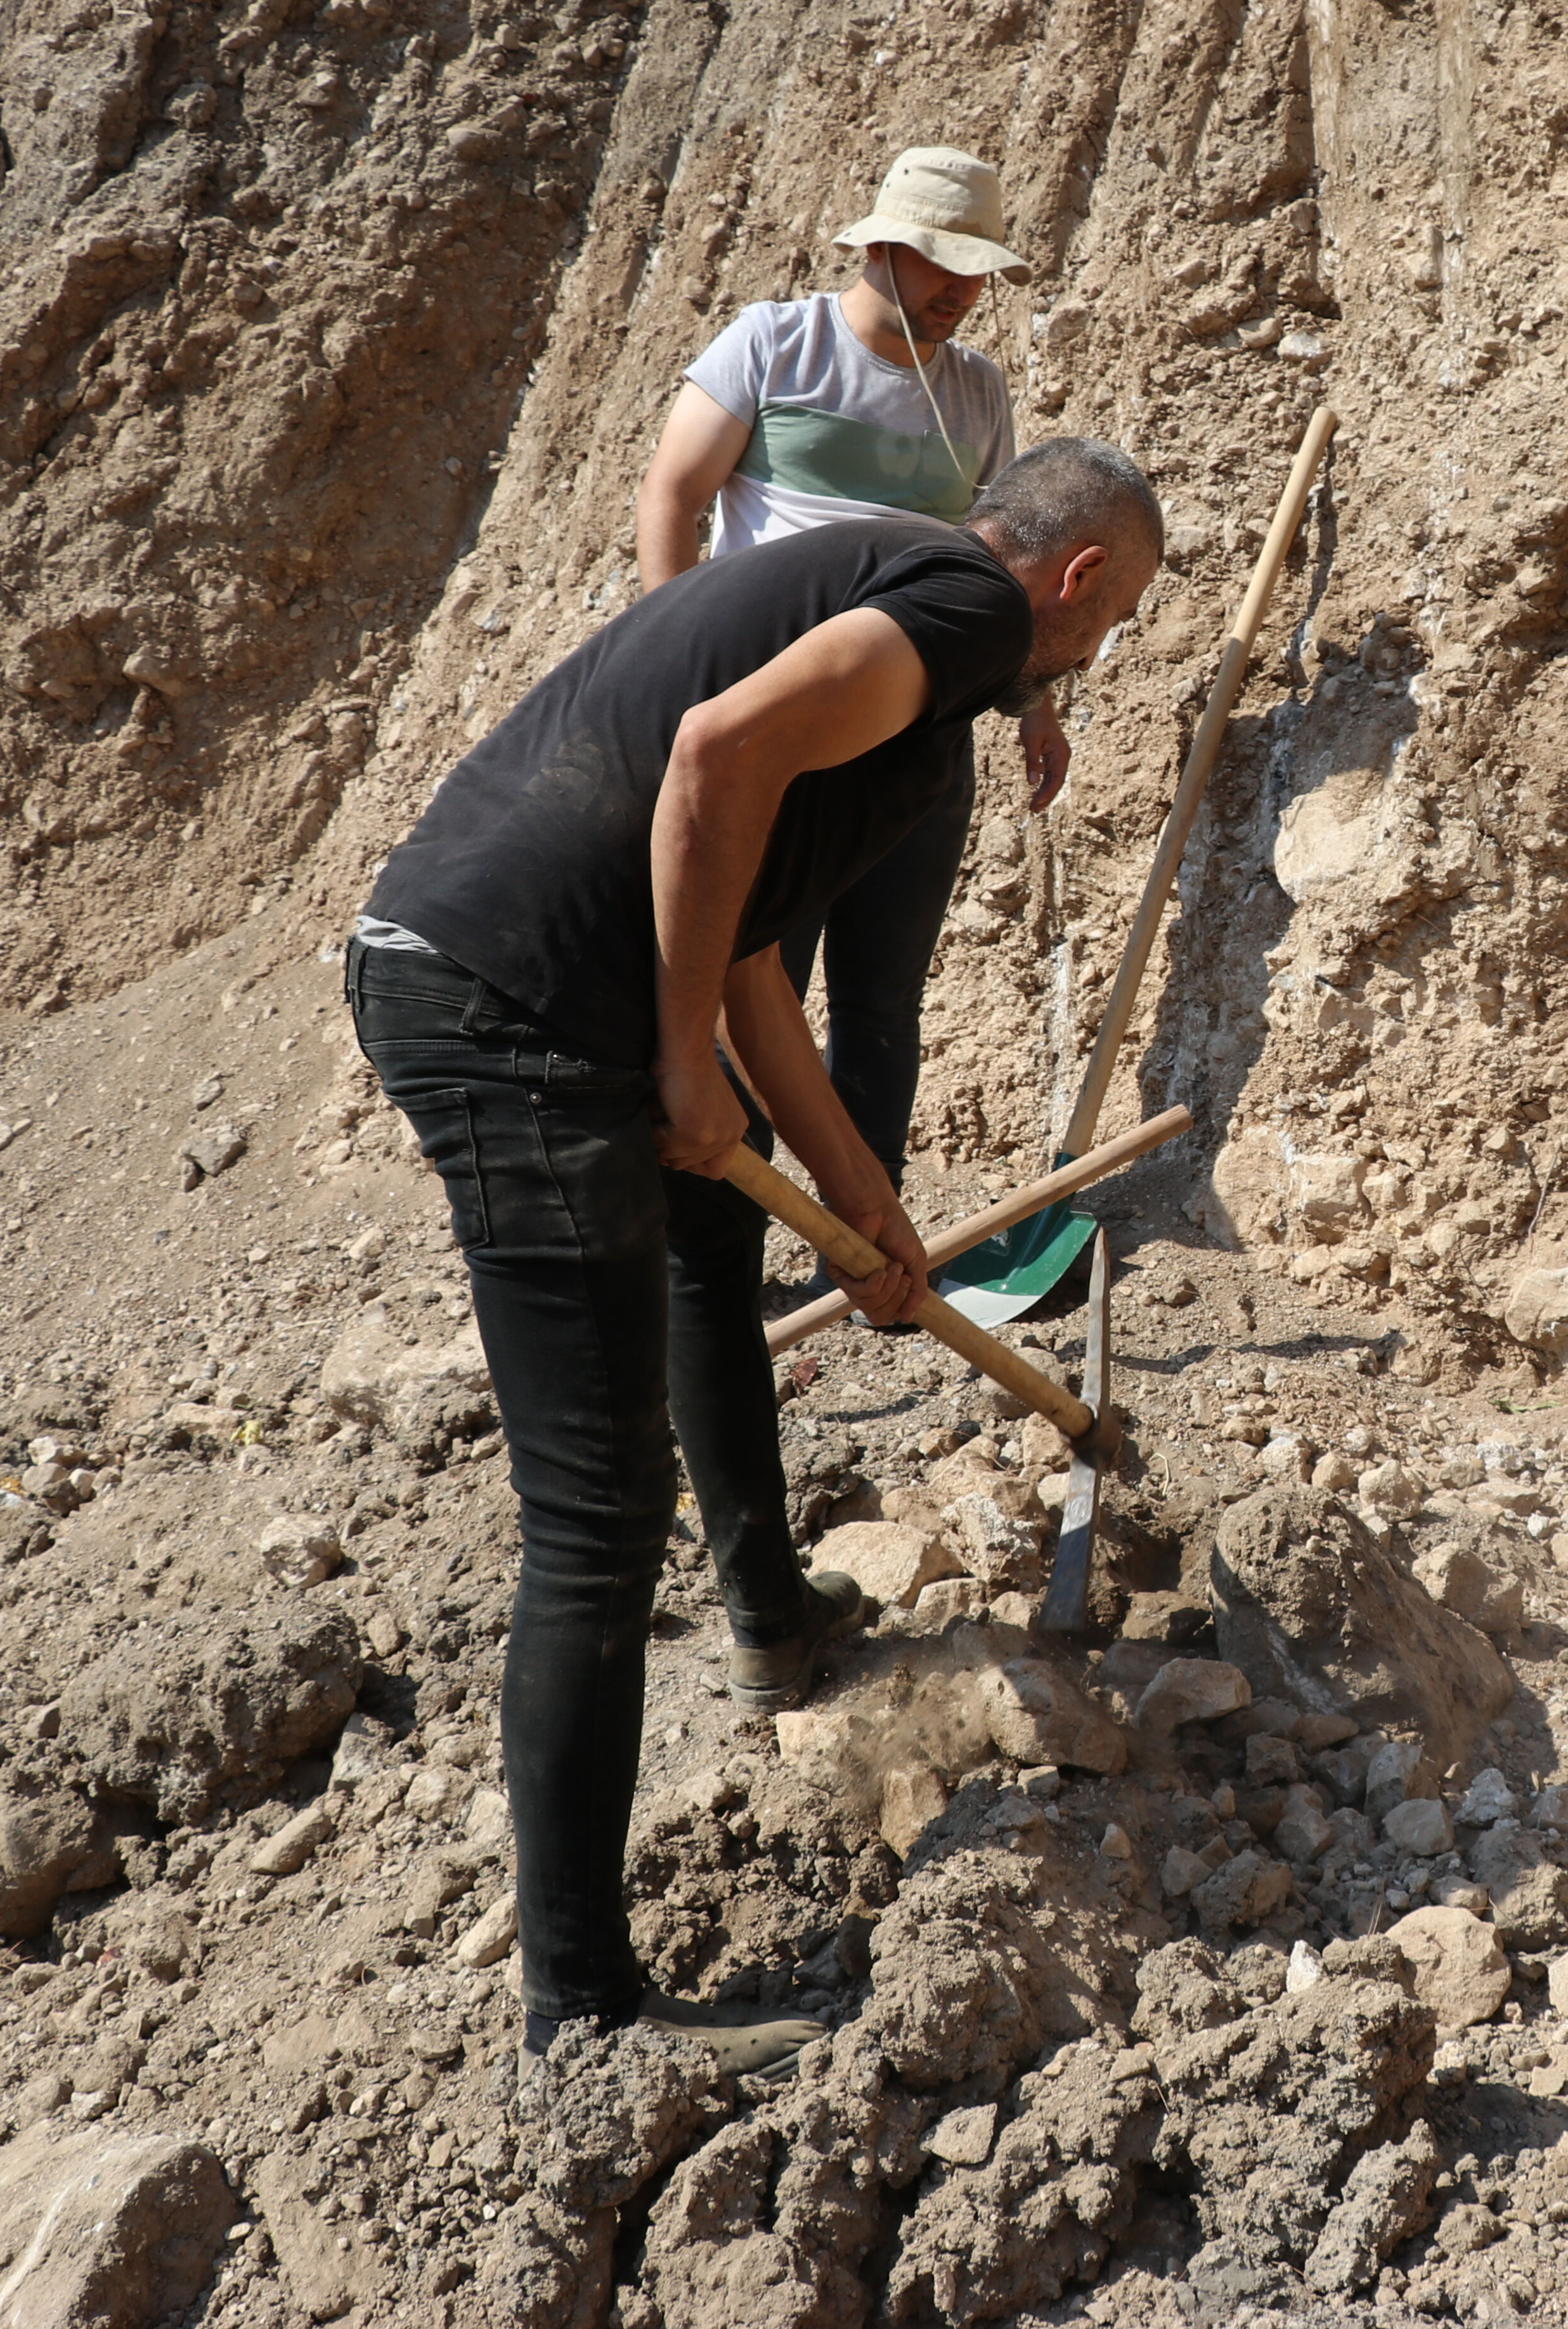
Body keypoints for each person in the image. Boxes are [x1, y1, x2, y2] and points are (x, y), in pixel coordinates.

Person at [347, 440, 1163, 2065]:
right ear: (1077, 579)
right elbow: (710, 760)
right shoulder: (964, 614)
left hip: (480, 975)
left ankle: (764, 1625)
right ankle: (579, 2017)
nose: (1098, 646)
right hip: (516, 1011)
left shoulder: (883, 614)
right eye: (1115, 613)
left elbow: (748, 946)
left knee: (627, 1447)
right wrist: (671, 1056)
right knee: (594, 1515)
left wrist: (864, 1193)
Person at [632, 144, 1070, 1191]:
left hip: (917, 729)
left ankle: (868, 1233)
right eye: (940, 264)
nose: (962, 291)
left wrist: (1036, 704)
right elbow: (671, 497)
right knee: (752, 974)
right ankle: (733, 1220)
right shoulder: (775, 345)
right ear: (879, 248)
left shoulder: (977, 392)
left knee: (884, 993)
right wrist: (673, 658)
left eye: (978, 272)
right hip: (772, 721)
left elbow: (998, 566)